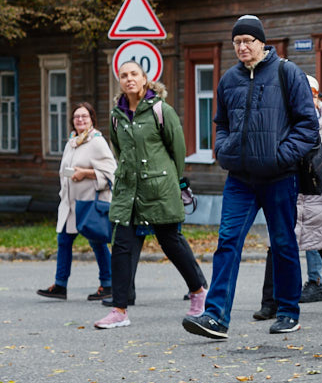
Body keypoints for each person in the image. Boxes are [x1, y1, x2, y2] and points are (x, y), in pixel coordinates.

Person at [183, 15, 320, 339]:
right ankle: (215, 316)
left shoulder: (288, 73)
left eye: (248, 41)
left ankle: (287, 311)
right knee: (227, 243)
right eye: (237, 42)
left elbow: (307, 126)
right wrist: (223, 149)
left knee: (283, 244)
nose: (242, 47)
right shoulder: (229, 79)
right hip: (240, 180)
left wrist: (280, 156)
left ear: (262, 42)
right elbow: (222, 124)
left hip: (279, 177)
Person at [95, 62, 207, 329]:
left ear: (145, 79)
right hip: (128, 193)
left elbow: (177, 150)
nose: (129, 79)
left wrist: (173, 182)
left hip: (159, 189)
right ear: (119, 81)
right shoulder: (116, 115)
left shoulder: (160, 110)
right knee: (122, 246)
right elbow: (119, 151)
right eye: (124, 75)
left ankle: (199, 291)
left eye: (134, 74)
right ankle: (119, 310)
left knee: (171, 243)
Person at [255, 75, 322, 319]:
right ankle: (270, 304)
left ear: (316, 97)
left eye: (310, 93)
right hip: (287, 195)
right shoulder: (280, 123)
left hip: (319, 196)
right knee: (275, 248)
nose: (305, 98)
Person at [37, 102, 117, 302]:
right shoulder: (72, 142)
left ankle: (108, 285)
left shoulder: (97, 142)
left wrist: (85, 174)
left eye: (84, 116)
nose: (80, 120)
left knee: (97, 243)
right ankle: (60, 285)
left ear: (92, 119)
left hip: (89, 203)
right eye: (76, 117)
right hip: (69, 203)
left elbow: (112, 172)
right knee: (63, 240)